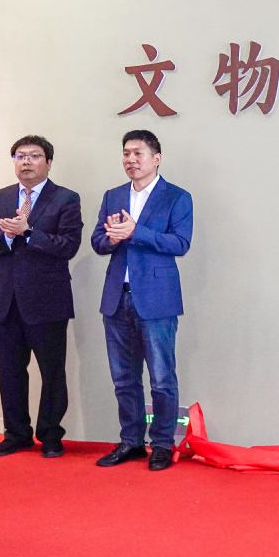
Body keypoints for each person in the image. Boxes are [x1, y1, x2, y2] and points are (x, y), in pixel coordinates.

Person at [0, 135, 83, 458]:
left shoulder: (66, 198)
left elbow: (69, 245)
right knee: (9, 372)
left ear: (48, 162)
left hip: (48, 300)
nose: (26, 162)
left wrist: (29, 232)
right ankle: (16, 434)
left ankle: (50, 435)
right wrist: (6, 236)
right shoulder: (0, 197)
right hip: (6, 300)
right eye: (20, 156)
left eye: (34, 156)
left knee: (52, 372)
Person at [91, 130, 193, 471]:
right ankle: (131, 442)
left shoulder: (176, 197)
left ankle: (162, 443)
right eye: (126, 153)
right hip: (116, 298)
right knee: (124, 379)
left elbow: (180, 243)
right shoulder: (113, 195)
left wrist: (137, 232)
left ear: (156, 158)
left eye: (138, 153)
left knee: (162, 379)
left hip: (156, 300)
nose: (130, 159)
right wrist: (112, 238)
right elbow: (97, 242)